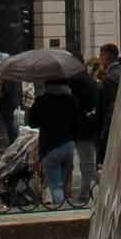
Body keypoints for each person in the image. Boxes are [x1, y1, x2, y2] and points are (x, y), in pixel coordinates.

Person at [27, 79, 81, 208]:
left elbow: (32, 123)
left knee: (55, 186)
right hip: (68, 146)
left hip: (50, 148)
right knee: (61, 183)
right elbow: (78, 123)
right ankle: (65, 210)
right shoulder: (71, 100)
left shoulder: (41, 100)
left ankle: (62, 214)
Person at [67, 63, 102, 203]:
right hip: (91, 127)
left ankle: (86, 193)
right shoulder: (90, 80)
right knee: (87, 162)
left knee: (86, 163)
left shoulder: (75, 82)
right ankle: (90, 190)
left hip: (82, 129)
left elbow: (74, 105)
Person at [96, 43, 121, 166]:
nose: (99, 58)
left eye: (101, 55)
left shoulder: (110, 77)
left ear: (106, 57)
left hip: (111, 125)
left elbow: (106, 106)